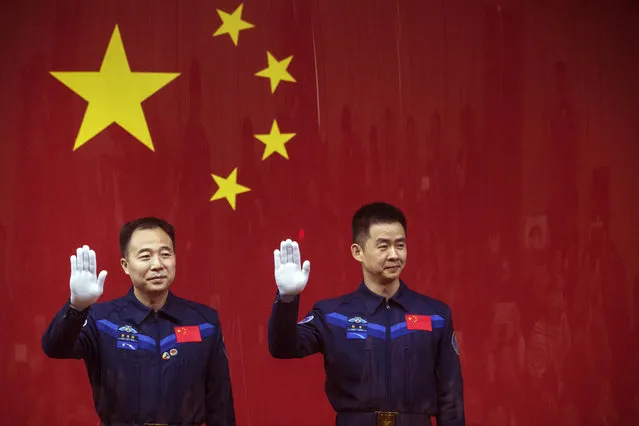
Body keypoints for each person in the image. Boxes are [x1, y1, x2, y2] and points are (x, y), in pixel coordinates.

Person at [268, 202, 465, 426]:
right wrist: (287, 298)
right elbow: (283, 347)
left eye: (400, 245)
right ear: (357, 252)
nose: (394, 255)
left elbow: (451, 399)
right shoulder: (333, 315)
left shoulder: (435, 315)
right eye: (383, 246)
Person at [42, 217, 236, 426]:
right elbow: (55, 348)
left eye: (165, 254)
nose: (157, 265)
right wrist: (77, 307)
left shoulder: (204, 322)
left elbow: (220, 405)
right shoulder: (102, 321)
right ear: (125, 266)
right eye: (145, 256)